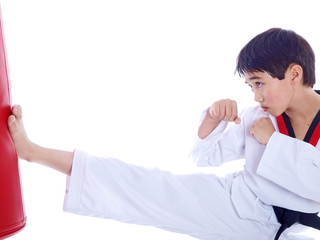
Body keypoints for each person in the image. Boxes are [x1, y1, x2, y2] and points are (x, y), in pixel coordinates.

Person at [7, 28, 320, 240]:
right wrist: (212, 121)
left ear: (294, 74)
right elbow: (204, 158)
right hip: (240, 204)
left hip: (296, 231)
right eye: (250, 87)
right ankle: (34, 152)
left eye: (259, 83)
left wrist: (273, 142)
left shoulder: (268, 129)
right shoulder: (259, 117)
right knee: (147, 186)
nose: (255, 97)